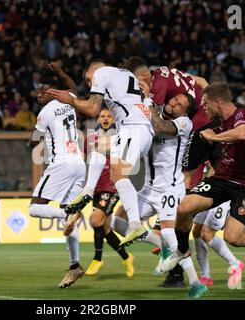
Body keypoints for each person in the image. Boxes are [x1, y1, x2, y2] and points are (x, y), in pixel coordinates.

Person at [158, 82, 245, 295]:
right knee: (184, 207)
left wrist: (213, 137)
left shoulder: (242, 116)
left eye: (206, 104)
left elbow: (241, 134)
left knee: (233, 238)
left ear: (217, 102)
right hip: (221, 179)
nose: (204, 108)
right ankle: (181, 249)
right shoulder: (218, 122)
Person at [48, 60, 154, 246]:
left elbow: (92, 109)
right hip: (139, 130)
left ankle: (136, 224)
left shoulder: (101, 73)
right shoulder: (126, 74)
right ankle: (88, 191)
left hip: (133, 129)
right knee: (98, 147)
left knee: (117, 173)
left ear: (94, 69)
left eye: (88, 79)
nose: (90, 84)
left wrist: (71, 100)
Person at [124, 56, 206, 288]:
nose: (174, 103)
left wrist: (147, 99)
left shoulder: (183, 125)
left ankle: (195, 282)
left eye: (180, 104)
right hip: (148, 188)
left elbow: (160, 127)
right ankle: (162, 245)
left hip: (170, 189)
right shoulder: (156, 115)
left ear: (185, 113)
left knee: (171, 234)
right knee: (120, 222)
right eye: (175, 99)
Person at [28, 63, 86, 289]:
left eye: (41, 92)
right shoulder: (68, 100)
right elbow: (73, 88)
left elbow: (34, 139)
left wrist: (32, 137)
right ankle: (75, 266)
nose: (38, 96)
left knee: (34, 208)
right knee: (69, 221)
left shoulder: (44, 112)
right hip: (79, 164)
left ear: (50, 91)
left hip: (61, 164)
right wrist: (62, 73)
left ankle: (67, 213)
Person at [83, 108, 134, 278]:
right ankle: (127, 257)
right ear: (98, 119)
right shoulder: (90, 139)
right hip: (97, 188)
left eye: (109, 116)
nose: (105, 119)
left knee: (96, 220)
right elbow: (84, 160)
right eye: (102, 116)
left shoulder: (119, 137)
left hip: (111, 187)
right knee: (104, 229)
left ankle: (97, 259)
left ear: (113, 119)